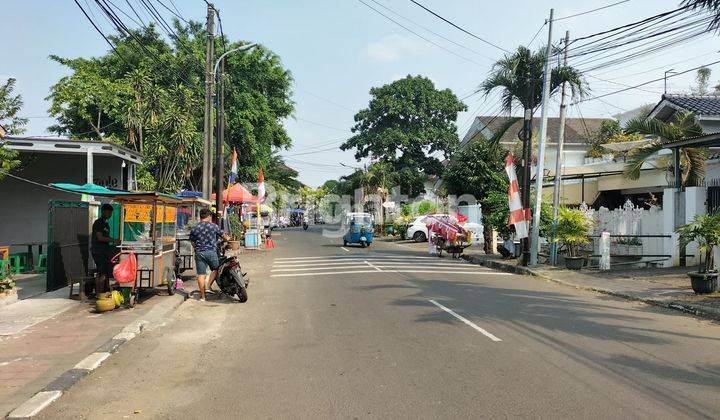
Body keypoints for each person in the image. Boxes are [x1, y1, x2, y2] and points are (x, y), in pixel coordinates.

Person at [189, 208, 230, 301]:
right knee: (216, 269)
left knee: (201, 274)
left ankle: (203, 297)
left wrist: (196, 248)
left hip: (199, 253)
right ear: (209, 216)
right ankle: (208, 286)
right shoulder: (213, 226)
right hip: (211, 252)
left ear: (200, 217)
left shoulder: (195, 227)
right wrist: (227, 239)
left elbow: (192, 241)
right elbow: (224, 237)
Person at [91, 203, 116, 297]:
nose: (110, 215)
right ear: (104, 212)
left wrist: (113, 241)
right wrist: (113, 240)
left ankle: (104, 292)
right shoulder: (99, 223)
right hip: (98, 251)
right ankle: (99, 294)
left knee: (104, 272)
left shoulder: (106, 223)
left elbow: (106, 236)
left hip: (104, 250)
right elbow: (100, 237)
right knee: (101, 273)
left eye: (111, 213)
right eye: (109, 213)